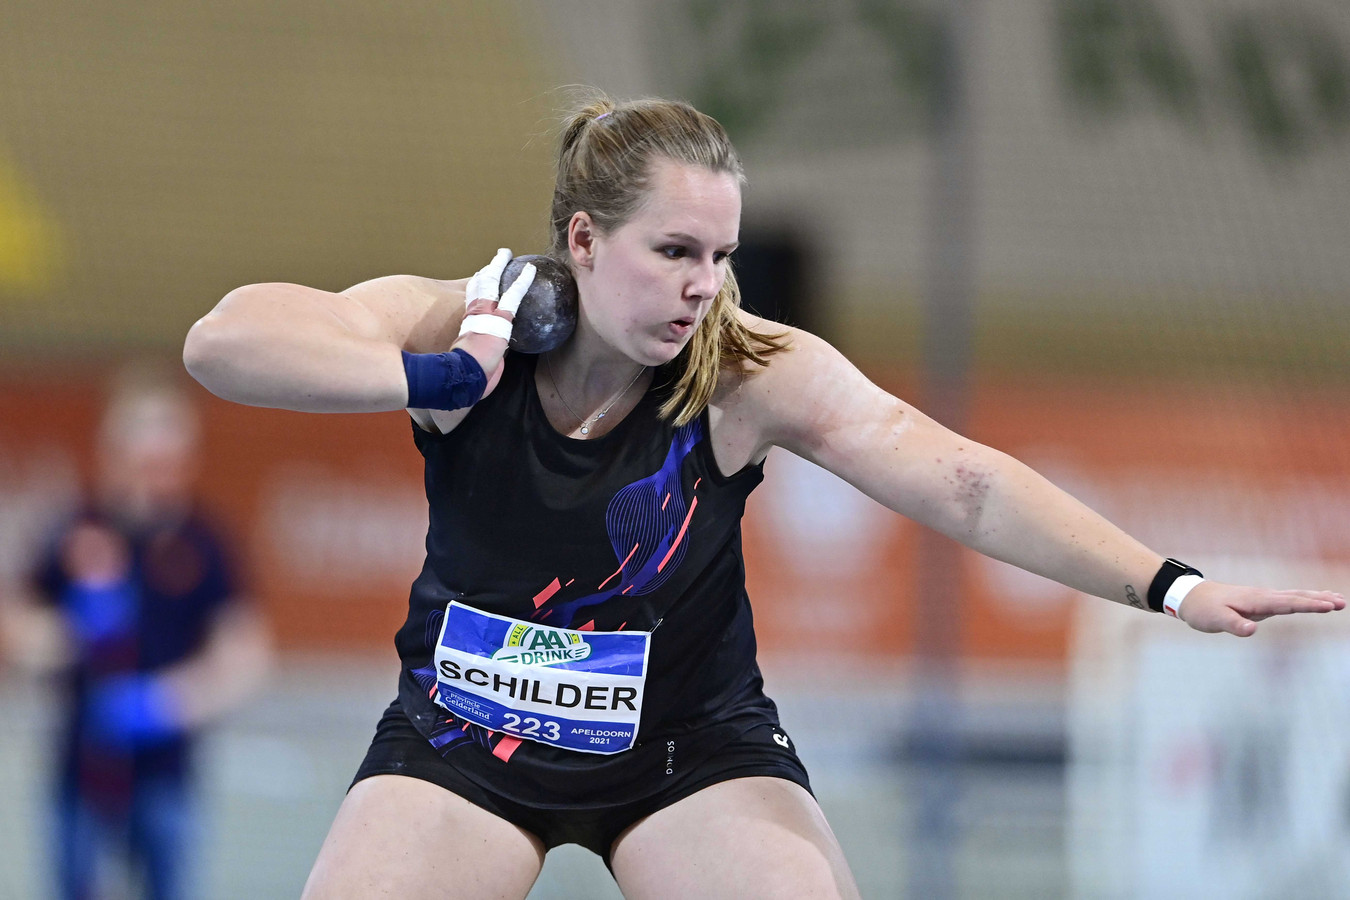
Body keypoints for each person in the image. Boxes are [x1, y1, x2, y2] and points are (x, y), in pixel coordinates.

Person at [181, 94, 1343, 899]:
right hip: (460, 738)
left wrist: (1169, 584)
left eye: (722, 255)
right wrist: (442, 376)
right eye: (674, 251)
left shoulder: (746, 374)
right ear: (583, 240)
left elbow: (965, 482)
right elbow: (223, 341)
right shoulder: (468, 325)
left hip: (687, 750)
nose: (704, 287)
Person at [0, 370, 272, 900]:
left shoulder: (205, 542)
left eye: (167, 460)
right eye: (142, 458)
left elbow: (246, 653)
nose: (155, 477)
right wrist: (67, 634)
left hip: (167, 771)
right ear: (112, 454)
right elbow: (18, 624)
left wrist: (172, 701)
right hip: (79, 764)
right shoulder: (73, 531)